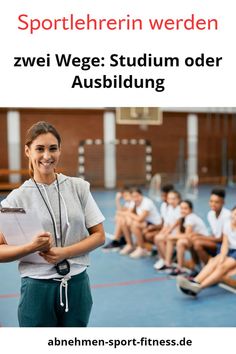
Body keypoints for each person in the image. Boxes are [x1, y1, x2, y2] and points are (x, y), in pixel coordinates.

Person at [0, 121, 105, 327]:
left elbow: (99, 235)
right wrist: (30, 247)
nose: (47, 156)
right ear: (27, 151)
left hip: (77, 285)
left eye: (53, 148)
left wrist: (65, 253)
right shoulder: (16, 199)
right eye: (40, 149)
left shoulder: (78, 187)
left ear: (59, 151)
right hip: (37, 288)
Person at [177, 206, 236, 297]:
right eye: (234, 214)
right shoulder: (227, 224)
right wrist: (222, 257)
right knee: (213, 261)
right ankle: (195, 281)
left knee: (222, 267)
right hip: (229, 249)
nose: (234, 217)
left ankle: (199, 287)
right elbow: (225, 244)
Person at [164, 200, 209, 276]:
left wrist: (172, 236)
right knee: (171, 240)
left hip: (203, 241)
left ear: (191, 210)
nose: (182, 210)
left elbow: (187, 235)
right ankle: (168, 263)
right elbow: (183, 234)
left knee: (180, 242)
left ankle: (180, 268)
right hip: (194, 239)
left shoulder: (191, 218)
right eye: (181, 208)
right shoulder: (183, 218)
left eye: (185, 208)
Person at [190, 189, 230, 265]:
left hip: (225, 245)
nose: (213, 204)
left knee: (197, 243)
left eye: (216, 202)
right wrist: (198, 235)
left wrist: (199, 237)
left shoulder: (227, 215)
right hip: (217, 241)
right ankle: (197, 267)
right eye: (211, 201)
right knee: (192, 239)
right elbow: (215, 234)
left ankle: (207, 268)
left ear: (223, 203)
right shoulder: (210, 214)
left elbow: (221, 239)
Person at [122, 188, 162, 258]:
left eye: (137, 196)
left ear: (141, 195)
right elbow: (128, 214)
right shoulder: (133, 202)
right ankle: (129, 244)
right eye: (133, 197)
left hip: (155, 225)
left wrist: (129, 215)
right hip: (146, 223)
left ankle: (141, 248)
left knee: (134, 224)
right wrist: (128, 218)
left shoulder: (147, 203)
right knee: (124, 222)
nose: (136, 198)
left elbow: (139, 219)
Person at [153, 190, 181, 270]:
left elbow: (176, 223)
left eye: (173, 199)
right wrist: (162, 232)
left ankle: (168, 261)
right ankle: (163, 258)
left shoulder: (179, 209)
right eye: (169, 199)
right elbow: (166, 224)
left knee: (160, 238)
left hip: (176, 233)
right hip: (171, 232)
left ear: (178, 199)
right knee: (157, 237)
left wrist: (166, 233)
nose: (171, 201)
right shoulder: (170, 208)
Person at [102, 186, 134, 252]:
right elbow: (120, 210)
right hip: (129, 220)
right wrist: (117, 199)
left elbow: (127, 213)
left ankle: (116, 240)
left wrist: (119, 213)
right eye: (124, 196)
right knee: (119, 217)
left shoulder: (133, 202)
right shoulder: (128, 203)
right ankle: (119, 240)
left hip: (136, 221)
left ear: (131, 195)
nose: (125, 198)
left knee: (120, 218)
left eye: (126, 195)